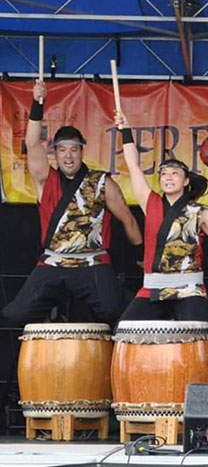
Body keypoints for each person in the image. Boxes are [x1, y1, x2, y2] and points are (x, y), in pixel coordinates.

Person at [114, 111, 208, 377]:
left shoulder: (200, 212)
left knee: (201, 334)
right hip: (153, 288)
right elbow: (134, 167)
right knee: (125, 330)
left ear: (185, 182)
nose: (168, 177)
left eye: (175, 173)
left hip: (188, 288)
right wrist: (125, 131)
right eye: (164, 174)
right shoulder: (151, 204)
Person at [2, 80, 142, 326]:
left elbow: (127, 219)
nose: (68, 156)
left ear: (82, 152)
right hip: (53, 261)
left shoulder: (101, 182)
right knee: (16, 314)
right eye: (62, 150)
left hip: (92, 262)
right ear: (55, 153)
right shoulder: (46, 179)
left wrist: (142, 254)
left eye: (74, 150)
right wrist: (37, 103)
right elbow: (32, 143)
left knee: (115, 311)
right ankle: (48, 323)